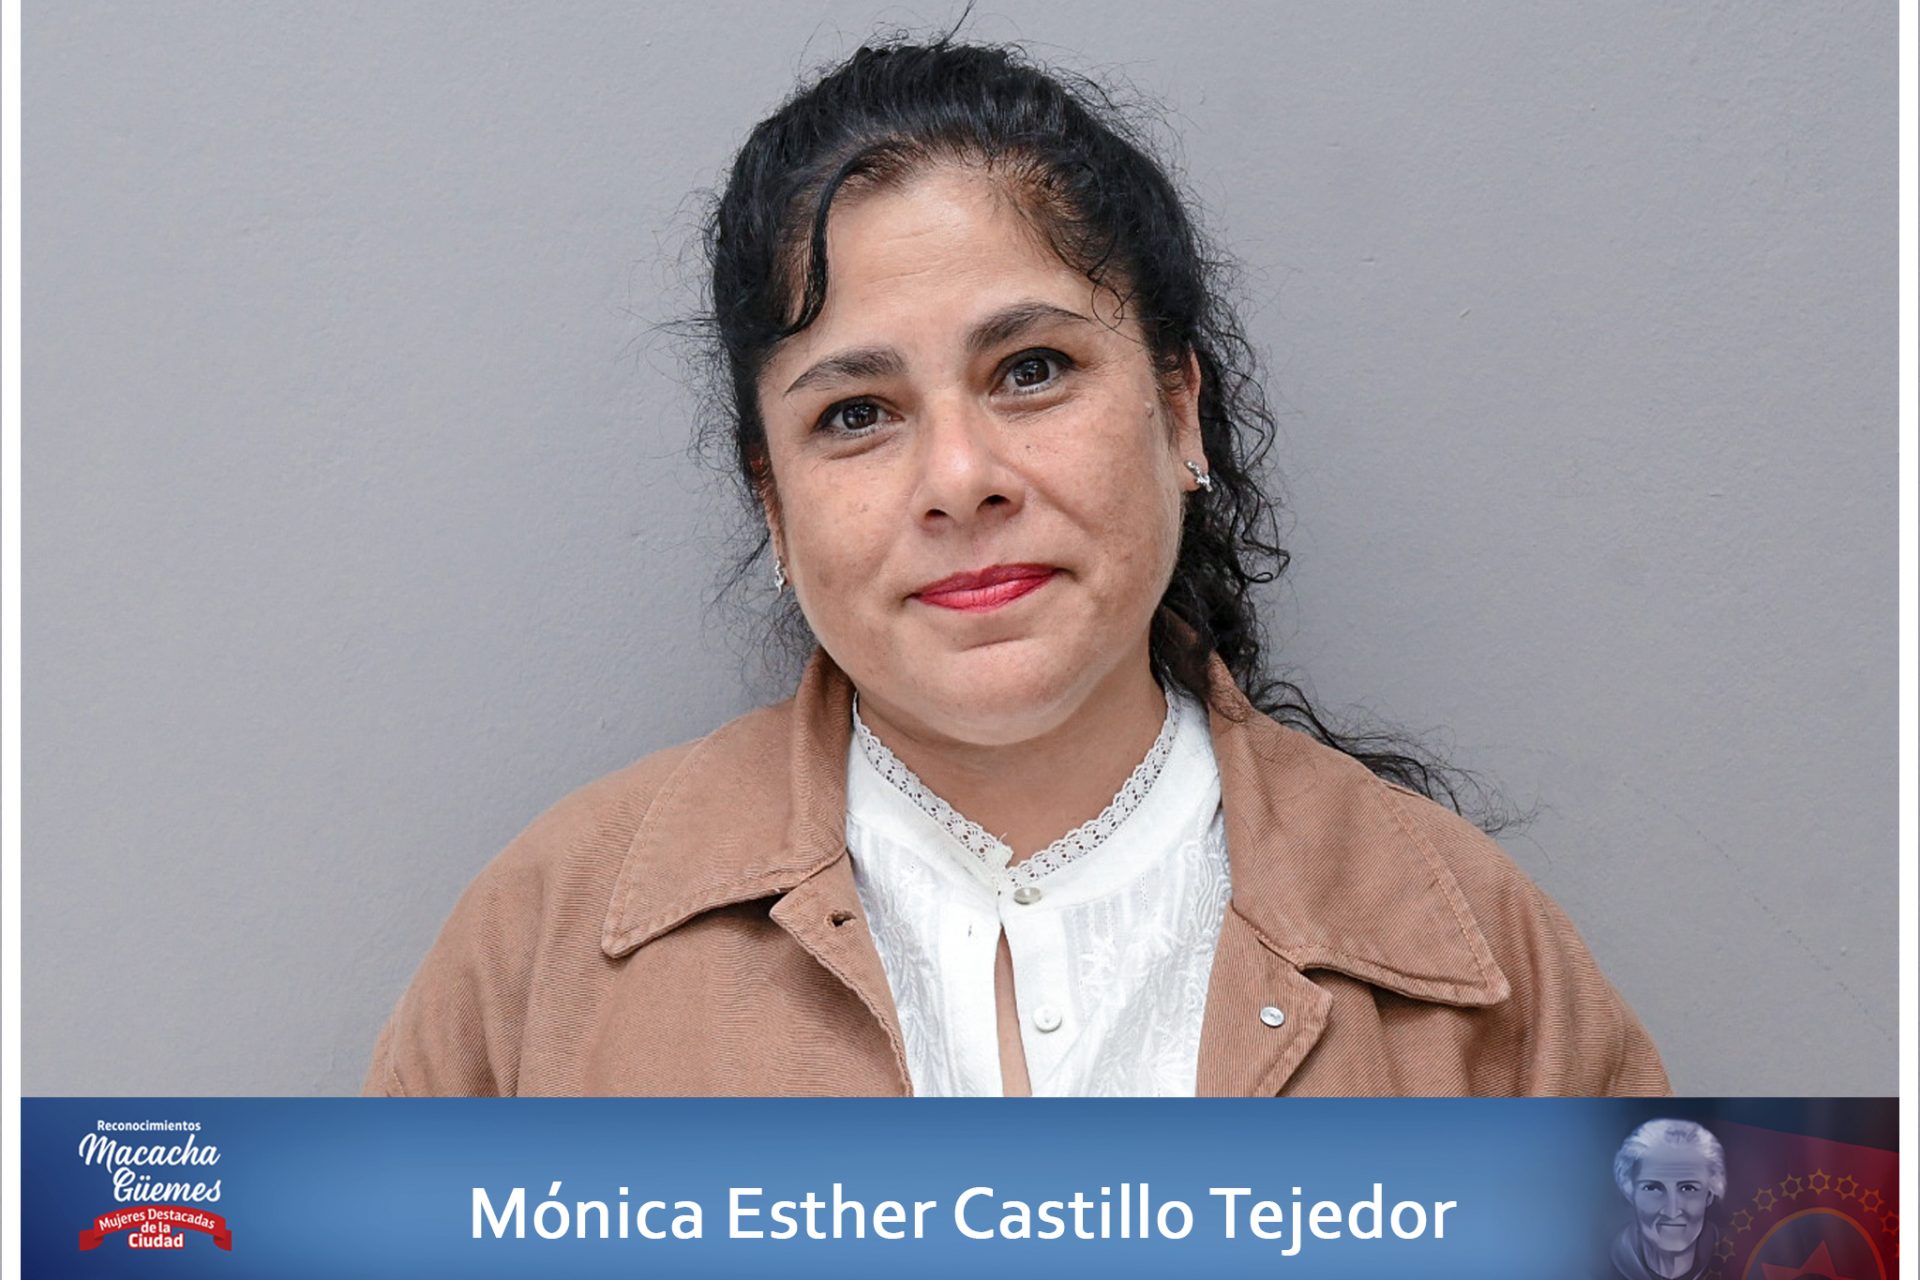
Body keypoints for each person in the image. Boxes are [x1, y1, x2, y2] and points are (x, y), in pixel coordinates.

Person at [362, 34, 1669, 1098]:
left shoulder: (1485, 961)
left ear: (1178, 411)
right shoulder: (544, 945)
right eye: (856, 413)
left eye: (1031, 370)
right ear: (774, 501)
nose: (960, 477)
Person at [1606, 1120, 1725, 1280]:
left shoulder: (1739, 1258)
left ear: (1709, 1195)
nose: (1671, 1211)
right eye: (1652, 1188)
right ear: (1630, 1192)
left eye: (1688, 1188)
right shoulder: (1591, 1269)